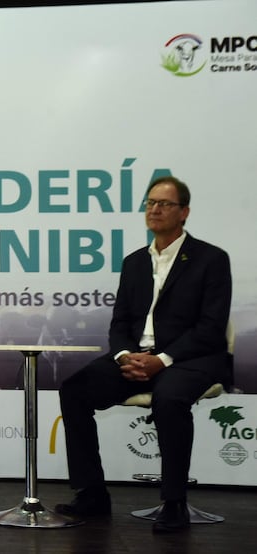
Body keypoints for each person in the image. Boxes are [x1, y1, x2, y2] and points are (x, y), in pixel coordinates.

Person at [54, 175, 232, 533]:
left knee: (168, 398)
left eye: (164, 204)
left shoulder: (211, 259)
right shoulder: (135, 262)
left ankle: (174, 501)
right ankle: (92, 493)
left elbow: (210, 328)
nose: (155, 210)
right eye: (150, 203)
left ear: (184, 212)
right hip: (136, 357)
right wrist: (123, 356)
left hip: (190, 359)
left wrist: (161, 361)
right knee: (74, 389)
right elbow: (119, 323)